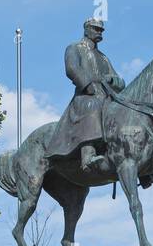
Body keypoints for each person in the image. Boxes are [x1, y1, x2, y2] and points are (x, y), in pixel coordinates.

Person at [44, 18, 127, 172]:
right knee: (93, 105)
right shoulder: (74, 48)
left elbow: (120, 83)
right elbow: (72, 69)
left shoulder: (103, 58)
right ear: (87, 29)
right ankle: (87, 155)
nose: (99, 32)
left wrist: (112, 80)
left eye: (101, 30)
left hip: (106, 95)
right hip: (86, 95)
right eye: (96, 29)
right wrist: (88, 86)